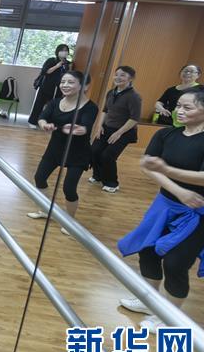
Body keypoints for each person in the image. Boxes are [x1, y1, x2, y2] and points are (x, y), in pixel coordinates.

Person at [117, 86, 204, 332]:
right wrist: (178, 190)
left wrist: (166, 170)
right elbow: (147, 166)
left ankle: (171, 319)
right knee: (148, 251)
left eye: (187, 107)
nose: (179, 111)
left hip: (201, 213)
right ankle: (150, 302)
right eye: (178, 106)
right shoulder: (166, 134)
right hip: (166, 206)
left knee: (176, 263)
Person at [26, 71, 99, 234]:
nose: (65, 85)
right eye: (63, 82)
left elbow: (85, 128)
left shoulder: (91, 107)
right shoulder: (55, 102)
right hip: (55, 148)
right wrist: (44, 125)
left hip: (78, 152)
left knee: (69, 188)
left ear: (84, 86)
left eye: (70, 82)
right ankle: (45, 210)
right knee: (39, 178)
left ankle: (70, 222)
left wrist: (77, 129)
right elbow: (42, 117)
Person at [89, 66, 142, 193]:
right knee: (94, 151)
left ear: (131, 78)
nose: (118, 77)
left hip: (125, 131)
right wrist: (99, 126)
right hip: (107, 128)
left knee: (107, 156)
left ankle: (112, 183)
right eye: (116, 74)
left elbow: (134, 119)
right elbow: (105, 110)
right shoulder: (111, 92)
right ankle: (98, 176)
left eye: (122, 75)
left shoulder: (134, 96)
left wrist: (119, 133)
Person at [28, 44, 72, 127]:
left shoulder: (68, 63)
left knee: (54, 107)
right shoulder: (51, 60)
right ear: (57, 51)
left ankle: (48, 123)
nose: (64, 52)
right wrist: (57, 66)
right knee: (39, 105)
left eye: (66, 50)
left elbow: (69, 75)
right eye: (62, 50)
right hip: (46, 86)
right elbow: (45, 71)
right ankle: (33, 122)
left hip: (59, 88)